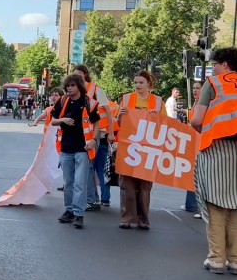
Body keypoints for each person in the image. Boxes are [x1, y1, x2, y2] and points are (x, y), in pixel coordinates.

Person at [190, 48, 237, 275]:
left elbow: (197, 119)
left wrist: (208, 130)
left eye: (215, 65)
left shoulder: (214, 84)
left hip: (215, 149)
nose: (213, 69)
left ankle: (216, 259)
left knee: (215, 205)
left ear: (225, 64)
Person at [111, 71, 163, 230]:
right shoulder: (127, 99)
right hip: (128, 147)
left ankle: (143, 219)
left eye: (141, 82)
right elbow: (117, 122)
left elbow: (165, 126)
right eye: (135, 82)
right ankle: (126, 218)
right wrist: (120, 115)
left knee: (145, 186)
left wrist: (157, 118)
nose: (137, 86)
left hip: (148, 150)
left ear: (149, 84)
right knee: (127, 185)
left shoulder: (158, 102)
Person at [51, 74, 100, 229]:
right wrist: (62, 120)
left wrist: (93, 140)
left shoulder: (88, 102)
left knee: (80, 183)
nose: (69, 88)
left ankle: (79, 214)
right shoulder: (63, 101)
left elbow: (97, 123)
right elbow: (53, 121)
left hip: (83, 148)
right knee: (68, 183)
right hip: (66, 148)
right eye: (68, 86)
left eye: (72, 85)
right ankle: (69, 211)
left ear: (79, 86)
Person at [73, 65, 112, 210]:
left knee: (89, 167)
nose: (76, 76)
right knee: (87, 168)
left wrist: (111, 133)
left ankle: (92, 199)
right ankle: (93, 198)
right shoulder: (75, 90)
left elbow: (107, 112)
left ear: (84, 74)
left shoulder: (96, 89)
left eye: (78, 74)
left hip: (96, 134)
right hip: (83, 134)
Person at [181, 81, 203, 219]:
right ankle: (191, 204)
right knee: (192, 173)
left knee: (198, 175)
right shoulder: (195, 104)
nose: (195, 91)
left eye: (198, 88)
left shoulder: (203, 104)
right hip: (194, 142)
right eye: (194, 88)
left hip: (201, 143)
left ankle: (198, 206)